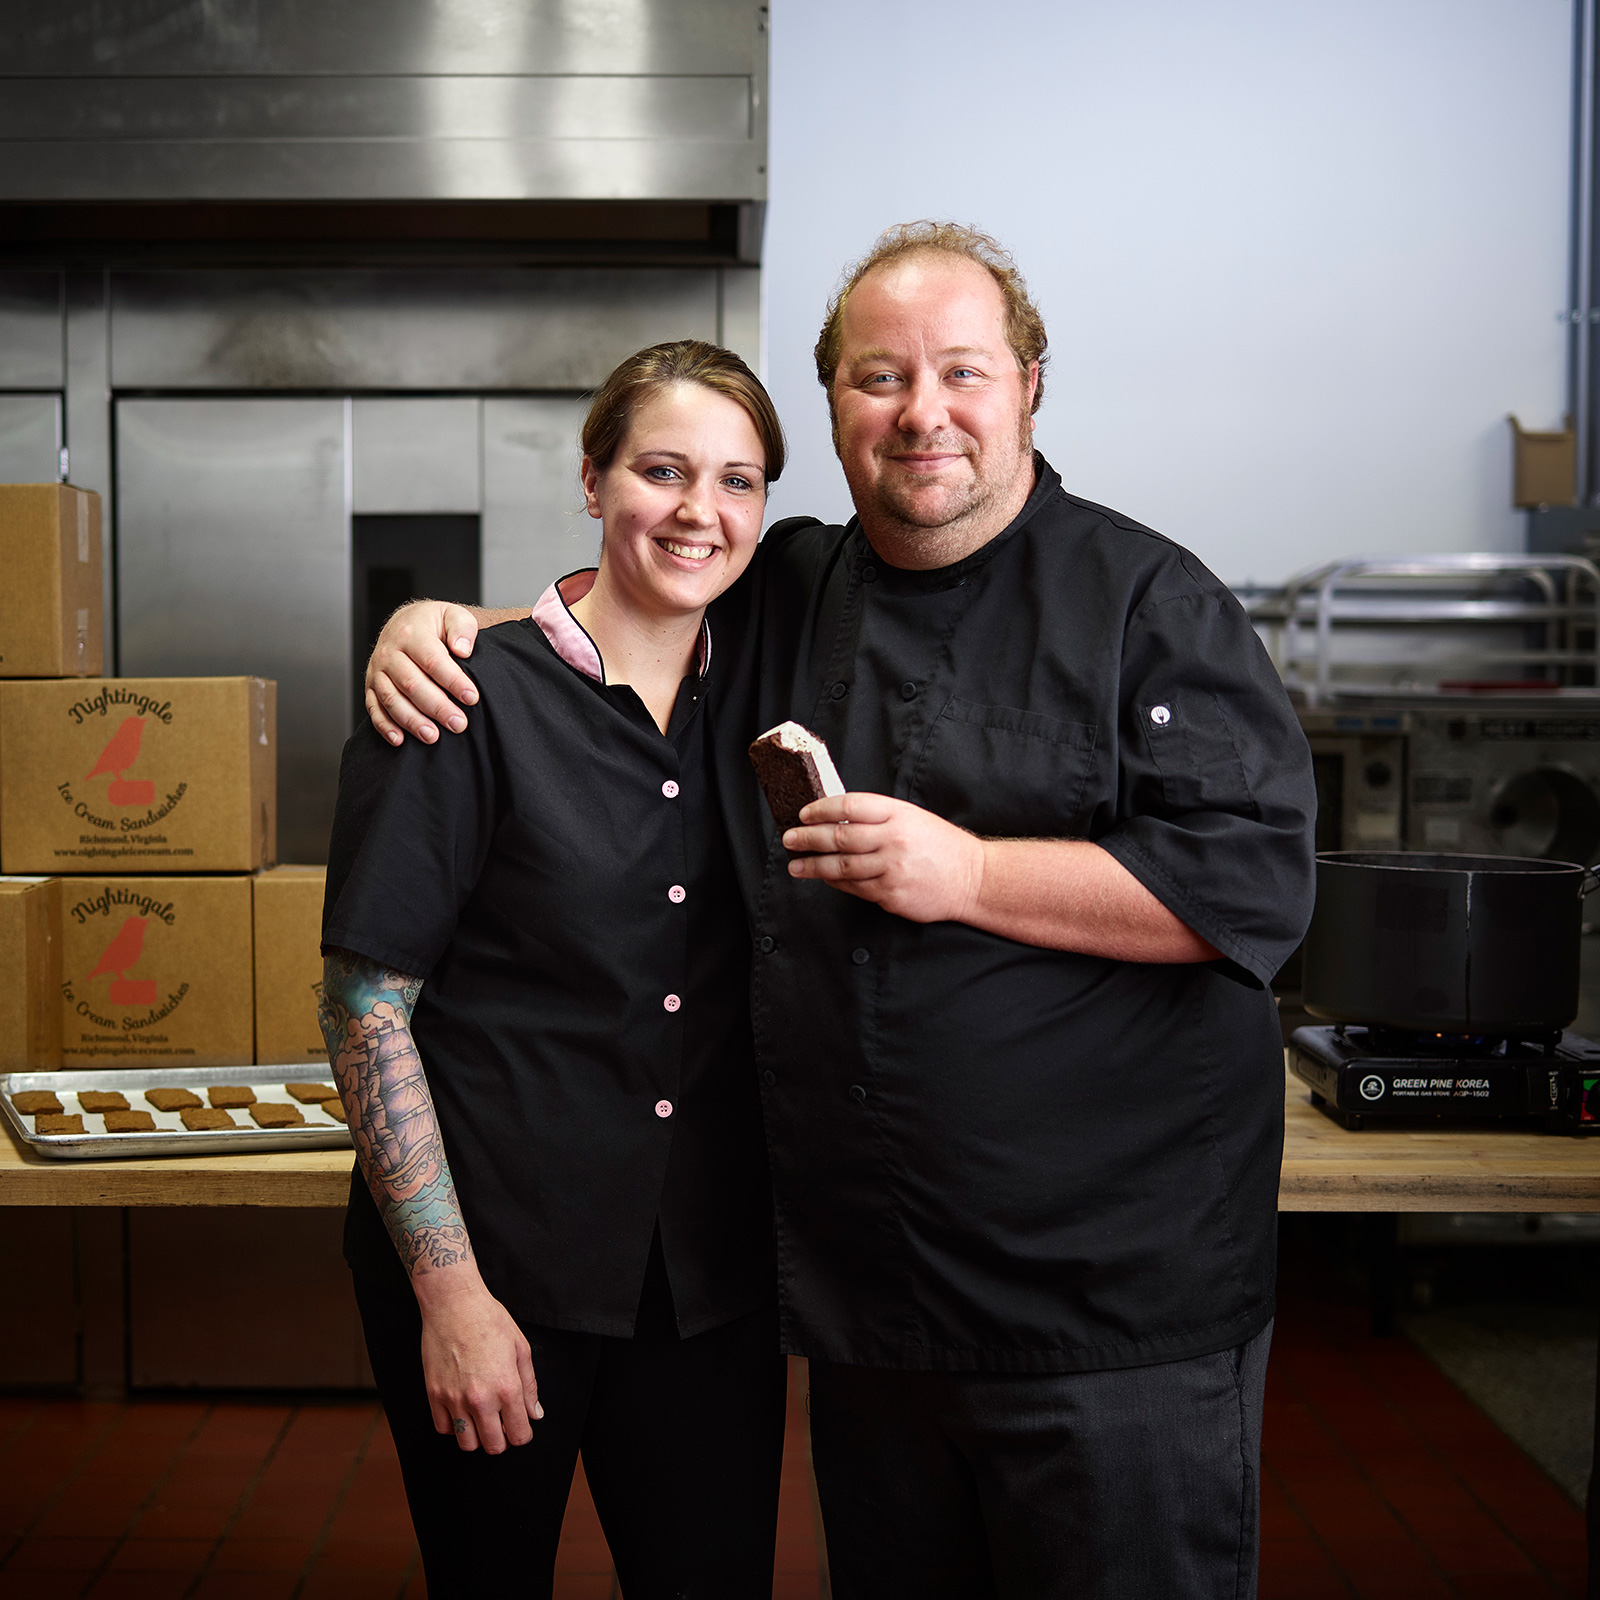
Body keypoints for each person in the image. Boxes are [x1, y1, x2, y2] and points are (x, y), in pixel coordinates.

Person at [366, 222, 1318, 1600]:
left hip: (1111, 1320)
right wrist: (442, 627)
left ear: (1031, 385)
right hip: (874, 1315)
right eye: (880, 378)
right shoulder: (791, 583)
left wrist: (975, 873)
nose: (923, 413)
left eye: (963, 373)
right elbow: (634, 589)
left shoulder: (1146, 602)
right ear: (832, 406)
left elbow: (1253, 885)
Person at [318, 340, 789, 1600]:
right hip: (498, 1263)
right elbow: (366, 1008)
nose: (701, 509)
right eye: (664, 469)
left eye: (739, 481)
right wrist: (452, 1295)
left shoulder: (773, 694)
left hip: (707, 1278)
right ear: (593, 480)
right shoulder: (461, 693)